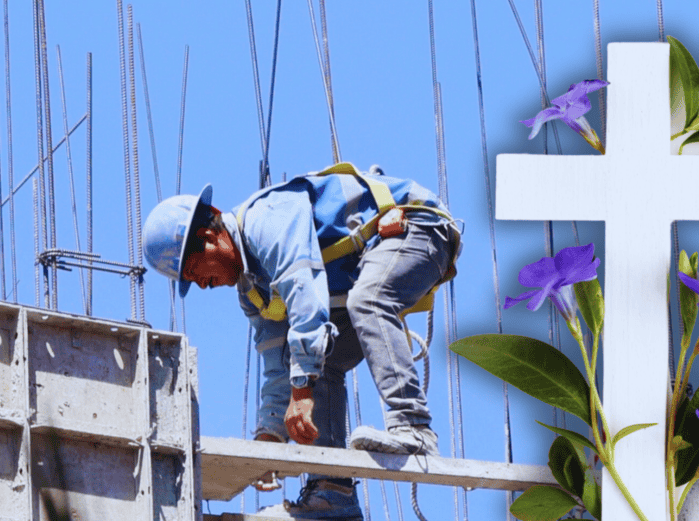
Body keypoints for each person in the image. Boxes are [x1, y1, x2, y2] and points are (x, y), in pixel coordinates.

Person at [142, 163, 461, 520]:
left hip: (417, 228)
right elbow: (277, 363)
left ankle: (413, 427)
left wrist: (301, 389)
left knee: (365, 302)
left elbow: (304, 293)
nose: (201, 283)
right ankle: (332, 492)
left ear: (211, 233)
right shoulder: (253, 292)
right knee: (316, 364)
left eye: (194, 270)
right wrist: (270, 440)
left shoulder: (266, 220)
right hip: (378, 258)